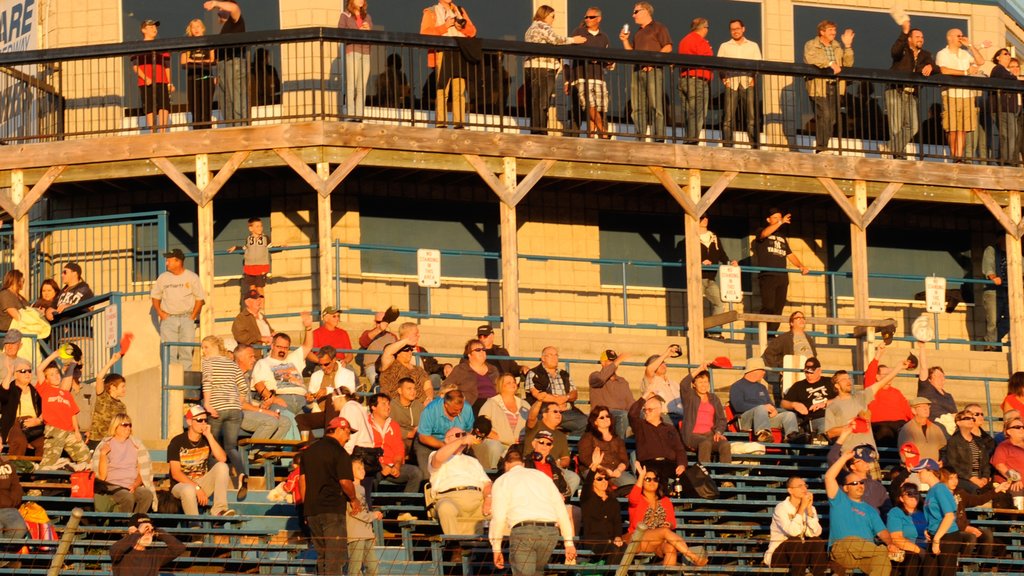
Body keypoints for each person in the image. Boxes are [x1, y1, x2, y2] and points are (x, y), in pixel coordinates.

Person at [489, 447, 576, 574]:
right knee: (537, 573)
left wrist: (496, 548)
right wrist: (569, 542)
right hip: (549, 533)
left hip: (524, 532)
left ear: (506, 464)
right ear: (523, 463)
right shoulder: (541, 476)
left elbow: (498, 518)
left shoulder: (503, 480)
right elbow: (560, 509)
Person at [824, 450, 899, 576]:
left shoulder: (870, 510)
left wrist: (890, 544)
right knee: (856, 542)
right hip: (843, 550)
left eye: (861, 483)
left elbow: (882, 531)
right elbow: (829, 477)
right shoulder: (839, 500)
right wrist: (844, 458)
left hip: (866, 554)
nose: (859, 485)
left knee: (883, 561)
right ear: (846, 488)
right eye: (854, 483)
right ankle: (880, 551)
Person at [301, 416, 360, 575]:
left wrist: (306, 509)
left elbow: (302, 482)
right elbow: (345, 482)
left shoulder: (308, 452)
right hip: (332, 510)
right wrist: (354, 500)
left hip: (312, 511)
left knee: (322, 556)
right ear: (339, 430)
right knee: (335, 559)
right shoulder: (340, 453)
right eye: (348, 433)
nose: (348, 438)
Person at [626, 463, 707, 567]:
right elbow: (632, 498)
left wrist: (668, 524)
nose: (652, 482)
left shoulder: (665, 500)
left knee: (671, 548)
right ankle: (694, 557)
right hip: (637, 539)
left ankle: (663, 573)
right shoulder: (638, 498)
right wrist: (641, 476)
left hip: (656, 541)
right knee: (664, 532)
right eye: (648, 479)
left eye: (655, 479)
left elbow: (672, 522)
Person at [524, 5, 585, 135]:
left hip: (532, 67)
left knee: (536, 101)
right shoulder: (542, 26)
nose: (553, 19)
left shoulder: (530, 29)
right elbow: (556, 40)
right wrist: (574, 40)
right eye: (552, 16)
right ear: (545, 15)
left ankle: (536, 131)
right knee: (542, 102)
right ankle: (540, 132)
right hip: (543, 68)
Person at [200, 335, 248, 500]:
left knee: (214, 447)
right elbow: (243, 387)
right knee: (230, 447)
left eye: (206, 347)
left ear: (214, 347)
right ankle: (242, 474)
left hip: (217, 408)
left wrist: (207, 403)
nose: (203, 351)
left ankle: (214, 484)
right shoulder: (231, 364)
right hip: (234, 409)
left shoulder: (208, 362)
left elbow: (207, 382)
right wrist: (237, 403)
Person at [167, 405, 234, 518]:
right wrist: (196, 488)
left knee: (222, 467)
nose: (203, 423)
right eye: (199, 420)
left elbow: (222, 459)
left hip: (202, 482)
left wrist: (209, 436)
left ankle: (219, 510)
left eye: (205, 420)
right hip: (181, 485)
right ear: (189, 422)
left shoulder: (207, 439)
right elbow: (176, 473)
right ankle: (195, 526)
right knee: (188, 489)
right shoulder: (177, 442)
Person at [619, 2, 672, 142]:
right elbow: (632, 53)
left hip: (653, 71)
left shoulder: (658, 27)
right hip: (637, 72)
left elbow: (668, 47)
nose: (633, 15)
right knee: (637, 108)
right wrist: (625, 41)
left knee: (656, 107)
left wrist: (653, 63)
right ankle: (640, 138)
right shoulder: (638, 33)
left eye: (636, 12)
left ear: (646, 11)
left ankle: (659, 139)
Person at [421, 0, 477, 129]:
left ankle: (459, 123)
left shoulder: (460, 10)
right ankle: (441, 122)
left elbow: (473, 32)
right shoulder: (431, 11)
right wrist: (445, 26)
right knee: (442, 89)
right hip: (442, 52)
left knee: (459, 91)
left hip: (459, 52)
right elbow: (425, 34)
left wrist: (461, 27)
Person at [428, 426, 492, 536]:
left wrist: (488, 498)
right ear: (447, 440)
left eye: (463, 434)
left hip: (477, 500)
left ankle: (498, 550)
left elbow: (487, 483)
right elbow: (438, 459)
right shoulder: (436, 455)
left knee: (500, 507)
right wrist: (461, 441)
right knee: (445, 508)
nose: (462, 437)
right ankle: (455, 545)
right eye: (457, 435)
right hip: (450, 498)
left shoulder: (473, 461)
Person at [803, 20, 854, 153]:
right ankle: (821, 149)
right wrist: (830, 63)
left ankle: (823, 147)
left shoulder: (837, 46)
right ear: (822, 32)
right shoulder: (811, 44)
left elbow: (847, 65)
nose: (834, 33)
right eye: (831, 30)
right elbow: (810, 59)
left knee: (831, 119)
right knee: (824, 115)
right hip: (818, 86)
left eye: (834, 30)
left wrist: (848, 47)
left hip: (834, 86)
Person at [754, 211, 809, 334]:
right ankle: (764, 332)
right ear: (768, 219)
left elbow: (789, 254)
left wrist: (801, 265)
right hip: (767, 275)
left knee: (778, 308)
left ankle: (772, 334)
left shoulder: (782, 237)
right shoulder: (761, 230)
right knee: (768, 306)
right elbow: (764, 234)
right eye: (775, 217)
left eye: (780, 217)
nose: (779, 219)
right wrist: (781, 222)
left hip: (782, 276)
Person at [886, 18, 933, 159]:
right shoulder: (903, 50)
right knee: (896, 127)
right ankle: (898, 155)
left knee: (912, 126)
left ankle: (891, 148)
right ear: (910, 39)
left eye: (922, 37)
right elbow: (894, 52)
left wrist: (931, 66)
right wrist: (904, 32)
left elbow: (937, 68)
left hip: (912, 94)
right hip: (896, 90)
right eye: (917, 37)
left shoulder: (926, 55)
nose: (921, 39)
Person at [251, 313, 315, 416]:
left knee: (306, 425)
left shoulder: (293, 358)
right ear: (272, 346)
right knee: (288, 420)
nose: (282, 350)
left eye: (285, 348)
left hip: (302, 399)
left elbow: (308, 346)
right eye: (279, 347)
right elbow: (258, 384)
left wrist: (308, 328)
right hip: (281, 398)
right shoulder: (263, 363)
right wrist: (273, 399)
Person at [936, 27, 985, 161]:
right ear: (949, 37)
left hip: (967, 95)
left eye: (962, 35)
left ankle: (959, 157)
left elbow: (981, 61)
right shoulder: (942, 53)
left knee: (963, 129)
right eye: (958, 35)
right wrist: (965, 72)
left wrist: (970, 45)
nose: (960, 37)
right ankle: (955, 156)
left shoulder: (965, 53)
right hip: (951, 94)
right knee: (952, 128)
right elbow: (944, 70)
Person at [151, 249, 205, 369]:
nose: (166, 263)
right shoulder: (163, 278)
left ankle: (184, 382)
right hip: (169, 318)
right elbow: (155, 297)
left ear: (178, 261)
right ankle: (172, 383)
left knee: (186, 351)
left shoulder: (192, 277)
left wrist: (192, 316)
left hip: (187, 318)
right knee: (170, 352)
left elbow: (200, 299)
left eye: (169, 260)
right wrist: (160, 313)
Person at [915, 458, 968, 576]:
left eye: (920, 471)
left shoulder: (940, 489)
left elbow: (949, 516)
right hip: (937, 535)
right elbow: (935, 515)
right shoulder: (932, 490)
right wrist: (928, 529)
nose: (918, 475)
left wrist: (936, 540)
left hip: (947, 537)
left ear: (930, 471)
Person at [93, 413, 156, 514]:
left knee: (146, 495)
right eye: (124, 425)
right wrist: (103, 455)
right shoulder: (106, 444)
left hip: (131, 485)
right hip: (113, 486)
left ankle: (136, 522)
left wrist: (135, 484)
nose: (128, 428)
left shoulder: (137, 445)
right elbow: (102, 477)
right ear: (115, 426)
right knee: (127, 497)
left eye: (130, 425)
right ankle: (124, 525)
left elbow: (142, 472)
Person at [765, 476, 827, 576]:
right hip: (780, 555)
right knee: (794, 540)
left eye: (805, 485)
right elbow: (793, 532)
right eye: (800, 486)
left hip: (799, 555)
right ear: (790, 490)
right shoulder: (781, 508)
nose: (804, 489)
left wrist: (810, 509)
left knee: (817, 540)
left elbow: (816, 532)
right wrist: (802, 508)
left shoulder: (809, 507)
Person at [36, 358, 91, 471]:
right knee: (49, 462)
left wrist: (76, 431)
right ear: (46, 379)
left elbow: (73, 413)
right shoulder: (45, 389)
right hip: (54, 430)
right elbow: (39, 369)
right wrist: (54, 355)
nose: (56, 376)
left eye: (57, 373)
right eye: (51, 375)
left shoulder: (67, 394)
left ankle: (80, 484)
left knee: (85, 456)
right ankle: (37, 487)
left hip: (70, 432)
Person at [729, 357, 798, 443]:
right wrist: (762, 407)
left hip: (765, 418)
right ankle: (763, 434)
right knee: (761, 408)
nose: (764, 373)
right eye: (762, 370)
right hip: (745, 420)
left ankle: (791, 437)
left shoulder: (762, 387)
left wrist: (773, 411)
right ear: (754, 370)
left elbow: (769, 405)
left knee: (789, 414)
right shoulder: (737, 386)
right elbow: (738, 406)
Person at [234, 344, 294, 441]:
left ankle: (265, 452)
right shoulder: (233, 375)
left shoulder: (246, 376)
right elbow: (239, 404)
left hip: (249, 412)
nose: (254, 360)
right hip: (238, 414)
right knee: (271, 421)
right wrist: (263, 411)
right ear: (240, 358)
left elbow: (247, 402)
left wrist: (262, 406)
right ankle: (253, 452)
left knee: (285, 422)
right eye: (251, 357)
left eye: (254, 356)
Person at [628, 392, 687, 492]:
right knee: (657, 478)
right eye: (645, 409)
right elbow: (632, 414)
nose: (646, 412)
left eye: (650, 409)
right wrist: (644, 397)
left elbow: (679, 449)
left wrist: (681, 464)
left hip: (668, 463)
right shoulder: (640, 426)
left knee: (687, 477)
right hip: (649, 463)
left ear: (659, 410)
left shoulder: (669, 428)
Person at [365, 392, 422, 495]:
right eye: (383, 404)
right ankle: (371, 506)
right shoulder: (365, 423)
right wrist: (381, 466)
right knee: (370, 475)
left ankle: (405, 507)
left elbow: (399, 449)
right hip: (375, 466)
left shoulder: (394, 425)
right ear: (373, 407)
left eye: (388, 404)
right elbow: (365, 451)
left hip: (392, 465)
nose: (388, 407)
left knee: (416, 473)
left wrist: (396, 466)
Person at [567, 8, 611, 139]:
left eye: (591, 17)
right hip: (582, 76)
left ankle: (591, 137)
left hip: (599, 77)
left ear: (599, 19)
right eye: (586, 17)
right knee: (589, 104)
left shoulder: (604, 38)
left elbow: (607, 59)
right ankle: (603, 131)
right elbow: (569, 54)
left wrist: (607, 62)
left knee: (598, 108)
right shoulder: (578, 32)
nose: (587, 19)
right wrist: (567, 79)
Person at [717, 19, 762, 147]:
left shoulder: (753, 45)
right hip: (731, 83)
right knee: (727, 118)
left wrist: (753, 78)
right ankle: (728, 146)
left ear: (743, 29)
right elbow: (719, 65)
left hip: (747, 82)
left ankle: (754, 146)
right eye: (732, 29)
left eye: (737, 29)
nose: (735, 31)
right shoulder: (724, 46)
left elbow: (758, 64)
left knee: (752, 118)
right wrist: (724, 79)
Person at [204, 0, 248, 126]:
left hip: (233, 62)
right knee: (225, 100)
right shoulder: (225, 28)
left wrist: (215, 3)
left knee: (236, 98)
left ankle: (242, 130)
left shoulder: (236, 21)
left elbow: (235, 8)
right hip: (223, 65)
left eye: (222, 8)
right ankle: (232, 129)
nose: (219, 11)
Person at [523, 401, 580, 494]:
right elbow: (531, 417)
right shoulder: (536, 426)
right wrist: (540, 400)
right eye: (555, 411)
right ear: (544, 414)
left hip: (554, 467)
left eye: (560, 412)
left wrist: (559, 464)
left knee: (574, 478)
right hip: (532, 465)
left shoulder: (561, 436)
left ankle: (559, 502)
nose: (559, 414)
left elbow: (566, 458)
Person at [525, 346, 586, 435]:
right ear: (543, 358)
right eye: (551, 355)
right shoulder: (534, 373)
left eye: (556, 355)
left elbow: (574, 393)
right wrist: (556, 401)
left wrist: (566, 397)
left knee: (587, 423)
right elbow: (537, 394)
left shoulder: (564, 374)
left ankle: (567, 443)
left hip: (566, 412)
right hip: (545, 412)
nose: (554, 358)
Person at [865, 344, 915, 448]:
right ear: (877, 377)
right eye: (885, 374)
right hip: (880, 425)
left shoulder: (897, 392)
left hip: (899, 425)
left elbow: (907, 412)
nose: (889, 377)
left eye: (890, 373)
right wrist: (879, 354)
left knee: (910, 431)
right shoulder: (872, 389)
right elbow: (870, 373)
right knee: (885, 431)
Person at [415, 389, 473, 478]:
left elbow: (469, 430)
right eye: (455, 410)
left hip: (457, 442)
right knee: (428, 474)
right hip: (430, 441)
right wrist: (446, 446)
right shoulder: (431, 410)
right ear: (446, 405)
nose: (458, 412)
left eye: (460, 409)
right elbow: (423, 436)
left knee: (472, 465)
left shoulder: (467, 409)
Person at [762, 310, 818, 404]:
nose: (801, 320)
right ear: (791, 323)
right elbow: (768, 353)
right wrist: (779, 368)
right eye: (798, 318)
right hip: (793, 376)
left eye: (803, 318)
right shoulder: (784, 338)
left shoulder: (809, 338)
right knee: (792, 401)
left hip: (809, 375)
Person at [679, 365, 731, 464]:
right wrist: (699, 369)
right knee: (705, 443)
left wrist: (718, 432)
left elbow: (721, 419)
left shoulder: (714, 398)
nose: (704, 385)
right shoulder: (689, 397)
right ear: (694, 384)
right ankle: (703, 476)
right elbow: (683, 384)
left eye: (706, 382)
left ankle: (726, 477)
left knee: (724, 444)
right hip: (692, 436)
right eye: (700, 382)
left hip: (710, 435)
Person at [477, 373, 529, 469]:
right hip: (500, 443)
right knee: (495, 446)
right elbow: (481, 424)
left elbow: (531, 424)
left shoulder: (524, 404)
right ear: (501, 386)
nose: (513, 384)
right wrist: (490, 433)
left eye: (514, 382)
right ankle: (493, 472)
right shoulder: (491, 403)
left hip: (520, 445)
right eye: (508, 383)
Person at [130, 19, 174, 133]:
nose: (154, 29)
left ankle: (163, 131)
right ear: (143, 30)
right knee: (149, 105)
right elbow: (135, 66)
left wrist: (169, 82)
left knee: (164, 105)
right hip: (145, 81)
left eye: (155, 27)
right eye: (151, 27)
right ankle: (152, 131)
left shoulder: (161, 45)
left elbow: (167, 65)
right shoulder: (138, 45)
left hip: (162, 80)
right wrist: (145, 78)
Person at [110, 513, 185, 576]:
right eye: (144, 531)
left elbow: (179, 548)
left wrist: (157, 531)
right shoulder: (122, 554)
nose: (147, 534)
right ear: (132, 531)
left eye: (149, 531)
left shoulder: (154, 555)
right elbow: (114, 549)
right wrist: (137, 533)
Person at [578, 405, 635, 488]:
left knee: (633, 484)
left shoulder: (617, 439)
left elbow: (624, 460)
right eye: (601, 417)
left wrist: (618, 470)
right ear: (595, 421)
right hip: (595, 470)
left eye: (607, 416)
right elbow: (585, 458)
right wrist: (604, 470)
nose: (606, 419)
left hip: (615, 471)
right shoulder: (588, 437)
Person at [378, 324, 436, 403]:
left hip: (419, 406)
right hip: (396, 406)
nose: (409, 352)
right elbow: (388, 352)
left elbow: (428, 387)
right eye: (405, 349)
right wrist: (406, 341)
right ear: (397, 353)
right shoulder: (390, 366)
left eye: (411, 349)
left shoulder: (418, 369)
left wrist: (429, 398)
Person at [677, 17, 712, 144]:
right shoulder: (700, 41)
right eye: (707, 27)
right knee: (698, 113)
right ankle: (692, 142)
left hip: (684, 80)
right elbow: (707, 59)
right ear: (703, 28)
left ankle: (688, 140)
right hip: (697, 81)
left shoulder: (684, 40)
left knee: (689, 114)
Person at [0, 354, 43, 457]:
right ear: (16, 375)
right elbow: (2, 395)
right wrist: (9, 373)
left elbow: (45, 409)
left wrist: (38, 421)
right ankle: (15, 470)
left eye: (29, 371)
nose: (27, 373)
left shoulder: (36, 391)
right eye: (23, 371)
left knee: (44, 444)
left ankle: (39, 471)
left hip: (34, 424)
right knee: (19, 441)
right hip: (15, 424)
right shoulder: (10, 389)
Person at [338, 0, 374, 121]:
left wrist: (369, 30)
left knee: (362, 87)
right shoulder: (345, 15)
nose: (361, 0)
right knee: (351, 85)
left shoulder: (367, 16)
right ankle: (350, 115)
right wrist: (357, 32)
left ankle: (359, 116)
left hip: (366, 52)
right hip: (352, 50)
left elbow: (373, 36)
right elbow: (340, 32)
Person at [946, 408, 995, 495]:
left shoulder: (979, 441)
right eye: (967, 418)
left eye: (972, 418)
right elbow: (953, 464)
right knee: (976, 490)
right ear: (958, 422)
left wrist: (985, 478)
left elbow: (985, 463)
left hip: (980, 479)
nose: (971, 420)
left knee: (998, 491)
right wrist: (972, 478)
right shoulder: (954, 441)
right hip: (963, 479)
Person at [580, 469, 624, 564]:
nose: (604, 481)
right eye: (599, 479)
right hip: (594, 542)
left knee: (625, 548)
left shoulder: (614, 501)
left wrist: (617, 537)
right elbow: (587, 484)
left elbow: (617, 522)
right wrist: (594, 467)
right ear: (593, 482)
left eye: (606, 478)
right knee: (615, 549)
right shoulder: (587, 498)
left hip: (611, 541)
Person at [781, 357, 833, 437]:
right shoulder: (799, 386)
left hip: (833, 417)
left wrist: (824, 403)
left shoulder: (829, 382)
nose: (808, 375)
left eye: (811, 373)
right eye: (806, 373)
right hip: (813, 419)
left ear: (819, 371)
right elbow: (783, 403)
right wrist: (794, 405)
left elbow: (842, 398)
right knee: (826, 424)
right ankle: (822, 440)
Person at [885, 483, 929, 576]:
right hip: (907, 550)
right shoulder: (896, 513)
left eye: (916, 493)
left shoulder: (924, 513)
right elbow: (896, 539)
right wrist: (919, 551)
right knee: (913, 558)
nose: (913, 497)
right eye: (909, 494)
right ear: (901, 498)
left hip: (926, 549)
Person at [698, 217, 736, 324]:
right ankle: (696, 330)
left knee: (719, 304)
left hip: (711, 279)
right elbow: (687, 256)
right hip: (697, 278)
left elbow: (721, 254)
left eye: (706, 217)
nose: (705, 219)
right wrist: (700, 262)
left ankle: (715, 332)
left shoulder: (713, 237)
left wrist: (730, 263)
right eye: (701, 218)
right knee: (696, 305)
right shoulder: (691, 237)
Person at [442, 339, 498, 413]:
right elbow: (446, 387)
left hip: (494, 404)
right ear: (469, 355)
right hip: (472, 405)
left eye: (483, 349)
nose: (482, 352)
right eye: (478, 350)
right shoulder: (461, 369)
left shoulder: (493, 369)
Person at [587, 349, 633, 439]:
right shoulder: (595, 376)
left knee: (643, 415)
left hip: (621, 414)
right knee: (622, 415)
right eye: (610, 361)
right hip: (603, 414)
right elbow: (600, 379)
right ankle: (619, 445)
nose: (613, 364)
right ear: (602, 363)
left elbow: (630, 403)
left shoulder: (622, 381)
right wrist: (618, 360)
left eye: (614, 361)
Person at [347, 459, 382, 576]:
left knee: (373, 568)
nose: (362, 471)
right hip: (356, 535)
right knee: (355, 569)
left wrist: (370, 532)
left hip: (366, 533)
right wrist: (373, 515)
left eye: (363, 468)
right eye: (358, 468)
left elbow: (365, 509)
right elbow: (356, 512)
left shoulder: (362, 488)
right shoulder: (349, 488)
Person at [181, 19, 215, 129]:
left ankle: (207, 132)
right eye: (193, 27)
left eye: (198, 26)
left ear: (203, 28)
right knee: (194, 107)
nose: (196, 29)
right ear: (190, 29)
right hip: (192, 78)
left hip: (207, 77)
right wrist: (203, 62)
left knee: (206, 106)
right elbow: (183, 62)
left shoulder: (208, 41)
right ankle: (197, 131)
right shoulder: (187, 44)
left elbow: (213, 60)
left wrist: (192, 61)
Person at [226, 217, 272, 296]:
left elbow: (271, 249)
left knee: (260, 288)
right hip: (249, 266)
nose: (260, 228)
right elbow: (245, 249)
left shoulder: (265, 238)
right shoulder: (248, 239)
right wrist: (236, 248)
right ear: (251, 228)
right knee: (252, 289)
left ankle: (261, 308)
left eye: (261, 226)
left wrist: (281, 247)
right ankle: (253, 307)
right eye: (257, 226)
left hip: (261, 266)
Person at [641, 345, 684, 427]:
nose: (663, 364)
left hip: (681, 416)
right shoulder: (651, 381)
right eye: (659, 363)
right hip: (663, 416)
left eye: (664, 362)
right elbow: (649, 370)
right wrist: (666, 354)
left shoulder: (674, 384)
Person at [915, 341, 957, 421]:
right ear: (930, 379)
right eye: (936, 376)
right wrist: (922, 347)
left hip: (950, 423)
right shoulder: (926, 389)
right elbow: (923, 368)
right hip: (934, 423)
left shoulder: (948, 396)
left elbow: (954, 413)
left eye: (942, 375)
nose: (940, 378)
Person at [897, 397, 947, 463]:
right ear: (913, 410)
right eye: (922, 407)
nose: (926, 409)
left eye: (927, 406)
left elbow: (943, 446)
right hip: (915, 468)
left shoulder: (936, 428)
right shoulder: (907, 429)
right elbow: (905, 453)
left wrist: (942, 461)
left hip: (934, 467)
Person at [0, 434, 26, 557]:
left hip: (8, 508)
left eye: (0, 444)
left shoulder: (8, 465)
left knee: (19, 529)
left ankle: (4, 556)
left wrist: (11, 501)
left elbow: (16, 486)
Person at [358, 309, 397, 384]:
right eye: (378, 322)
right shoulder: (368, 333)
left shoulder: (392, 336)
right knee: (375, 379)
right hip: (372, 366)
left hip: (390, 366)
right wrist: (379, 329)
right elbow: (363, 342)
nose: (381, 324)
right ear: (375, 322)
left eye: (383, 321)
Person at [982, 244, 1009, 351]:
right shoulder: (991, 250)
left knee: (1011, 318)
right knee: (993, 320)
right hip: (993, 290)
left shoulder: (1014, 250)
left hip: (1008, 291)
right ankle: (991, 346)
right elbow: (988, 266)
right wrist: (992, 276)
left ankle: (991, 340)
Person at [390, 377, 424, 455]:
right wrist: (408, 434)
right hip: (400, 439)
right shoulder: (392, 406)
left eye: (414, 389)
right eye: (409, 389)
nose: (413, 392)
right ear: (400, 391)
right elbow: (389, 426)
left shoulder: (418, 405)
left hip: (418, 438)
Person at [990, 415, 1024, 492]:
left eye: (1023, 427)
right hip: (1011, 485)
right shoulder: (1004, 446)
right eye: (1017, 427)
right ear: (1009, 431)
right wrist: (1015, 479)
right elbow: (999, 465)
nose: (1021, 429)